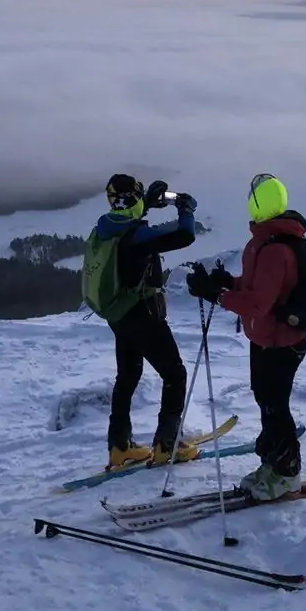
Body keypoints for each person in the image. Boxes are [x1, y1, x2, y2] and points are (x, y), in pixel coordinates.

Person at [187, 173, 306, 501]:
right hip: (266, 340)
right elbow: (257, 289)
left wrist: (215, 296)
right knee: (266, 402)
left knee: (275, 406)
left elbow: (257, 304)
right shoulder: (264, 244)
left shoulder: (274, 250)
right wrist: (226, 282)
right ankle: (272, 464)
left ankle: (287, 473)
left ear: (257, 203)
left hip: (282, 343)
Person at [86, 173, 200, 470]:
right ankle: (167, 445)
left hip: (118, 314)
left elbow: (127, 220)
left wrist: (146, 203)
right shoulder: (136, 236)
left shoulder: (105, 228)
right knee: (174, 374)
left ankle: (119, 447)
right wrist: (186, 208)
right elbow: (184, 234)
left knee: (127, 376)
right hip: (143, 314)